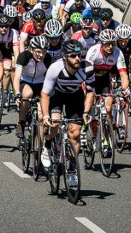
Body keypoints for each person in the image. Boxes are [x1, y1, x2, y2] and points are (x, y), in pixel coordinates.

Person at [40, 40, 95, 186]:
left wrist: (86, 112)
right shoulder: (55, 68)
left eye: (79, 55)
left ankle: (71, 170)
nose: (77, 58)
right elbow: (45, 94)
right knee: (55, 123)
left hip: (75, 96)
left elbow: (90, 93)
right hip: (57, 95)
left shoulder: (87, 67)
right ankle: (47, 145)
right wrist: (46, 116)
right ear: (65, 56)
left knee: (75, 133)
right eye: (73, 56)